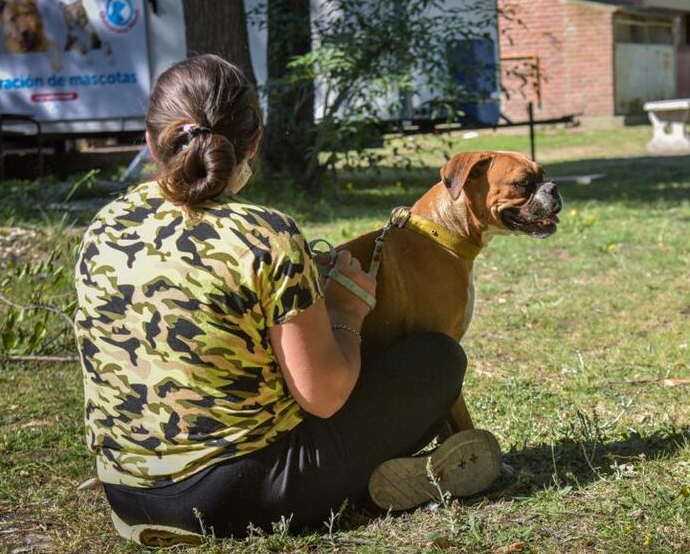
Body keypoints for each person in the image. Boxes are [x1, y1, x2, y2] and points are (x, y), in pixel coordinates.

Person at [73, 54, 502, 545]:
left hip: (127, 493)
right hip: (233, 497)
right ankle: (382, 482)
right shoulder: (267, 235)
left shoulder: (105, 224)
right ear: (255, 140)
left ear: (151, 142)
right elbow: (324, 395)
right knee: (436, 359)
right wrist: (344, 309)